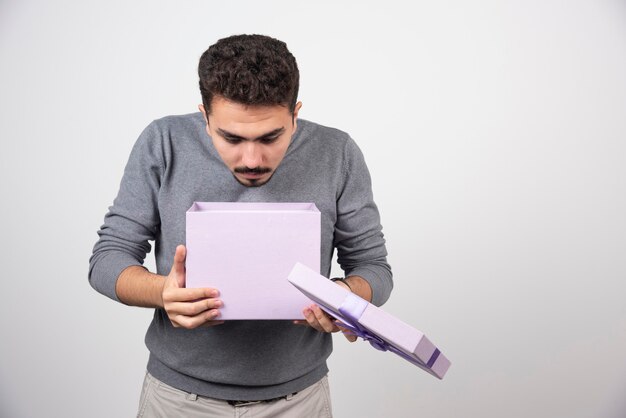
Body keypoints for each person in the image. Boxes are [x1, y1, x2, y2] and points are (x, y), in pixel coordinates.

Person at [89, 34, 392, 418]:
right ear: (205, 116)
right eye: (231, 137)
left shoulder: (337, 152)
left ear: (295, 114)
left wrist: (345, 298)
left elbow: (374, 269)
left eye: (271, 137)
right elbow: (107, 260)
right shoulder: (163, 141)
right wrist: (161, 292)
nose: (252, 159)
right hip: (178, 399)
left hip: (298, 400)